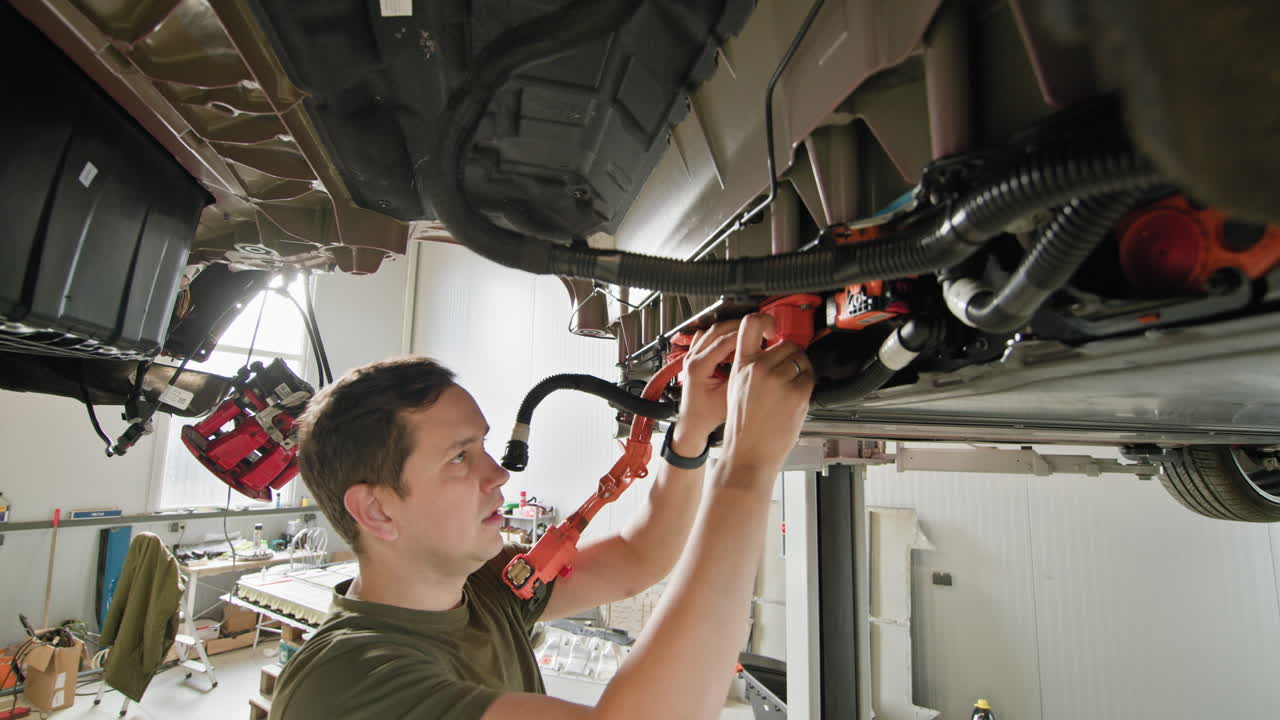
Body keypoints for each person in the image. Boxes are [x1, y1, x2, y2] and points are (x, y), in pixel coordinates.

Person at [270, 313, 814, 720]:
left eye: (483, 446)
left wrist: (691, 434)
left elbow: (636, 558)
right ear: (376, 509)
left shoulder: (486, 588)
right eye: (459, 457)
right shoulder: (346, 682)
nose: (497, 475)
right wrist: (745, 469)